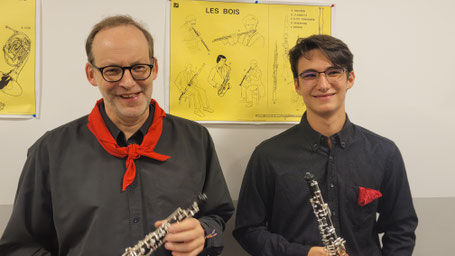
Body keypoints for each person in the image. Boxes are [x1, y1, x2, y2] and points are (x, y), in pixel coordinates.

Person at [0, 15, 234, 256]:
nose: (128, 82)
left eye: (139, 68)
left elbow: (217, 215)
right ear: (92, 74)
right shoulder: (50, 151)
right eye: (112, 71)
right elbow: (20, 246)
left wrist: (204, 233)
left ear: (154, 68)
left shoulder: (196, 140)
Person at [233, 34, 418, 256]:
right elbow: (248, 230)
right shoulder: (267, 155)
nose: (323, 84)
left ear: (350, 79)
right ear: (297, 85)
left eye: (333, 72)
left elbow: (401, 229)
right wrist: (302, 253)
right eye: (310, 75)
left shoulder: (384, 153)